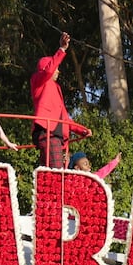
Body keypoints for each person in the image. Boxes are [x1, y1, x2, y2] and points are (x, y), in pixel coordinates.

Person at [30, 32, 86, 168]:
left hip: (58, 136)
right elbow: (48, 71)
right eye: (56, 69)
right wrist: (61, 50)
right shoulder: (39, 81)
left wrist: (82, 130)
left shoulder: (56, 88)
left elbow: (64, 118)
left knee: (52, 175)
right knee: (57, 172)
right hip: (48, 132)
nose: (58, 72)